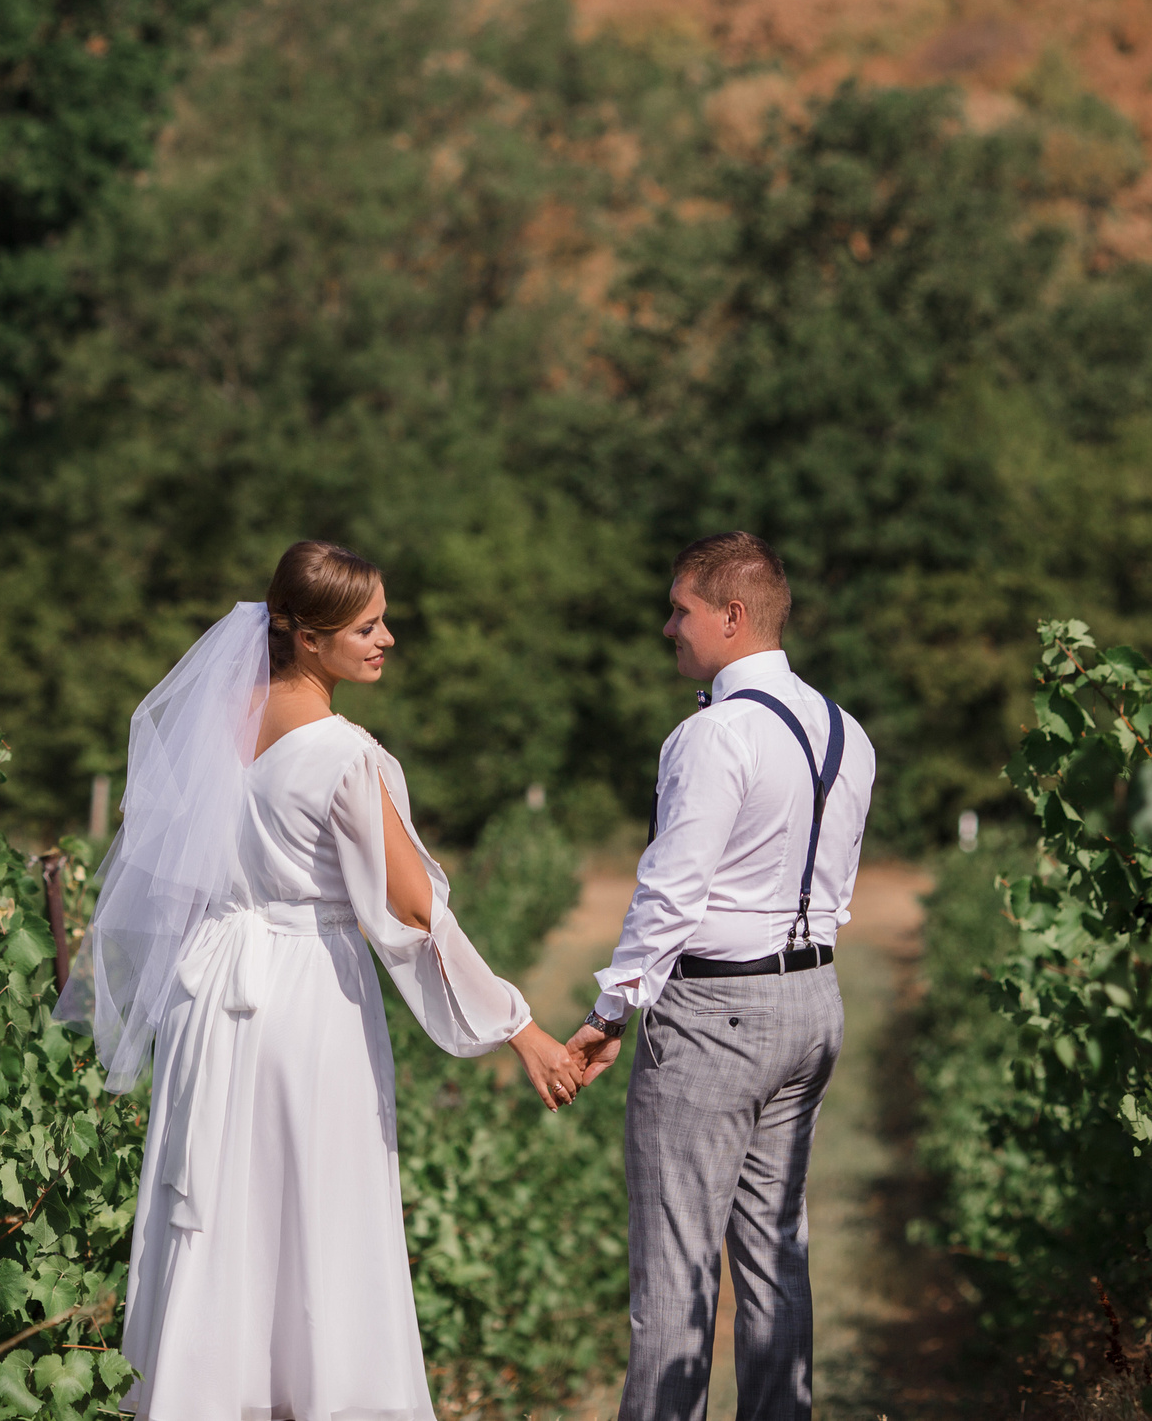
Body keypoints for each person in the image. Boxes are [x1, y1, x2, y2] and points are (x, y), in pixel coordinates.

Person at [58, 539, 582, 1421]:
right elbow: (413, 909)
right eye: (367, 626)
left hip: (211, 994)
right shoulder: (344, 755)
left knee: (220, 1210)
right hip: (303, 997)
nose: (388, 639)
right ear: (306, 636)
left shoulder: (219, 732)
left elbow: (183, 880)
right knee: (321, 1210)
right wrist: (518, 1025)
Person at [562, 532, 876, 1421]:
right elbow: (838, 884)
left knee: (677, 1271)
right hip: (814, 1000)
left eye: (682, 609)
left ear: (732, 616)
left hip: (715, 1014)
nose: (670, 627)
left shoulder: (712, 734)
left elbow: (670, 891)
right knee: (778, 1257)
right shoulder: (846, 732)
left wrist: (611, 1008)